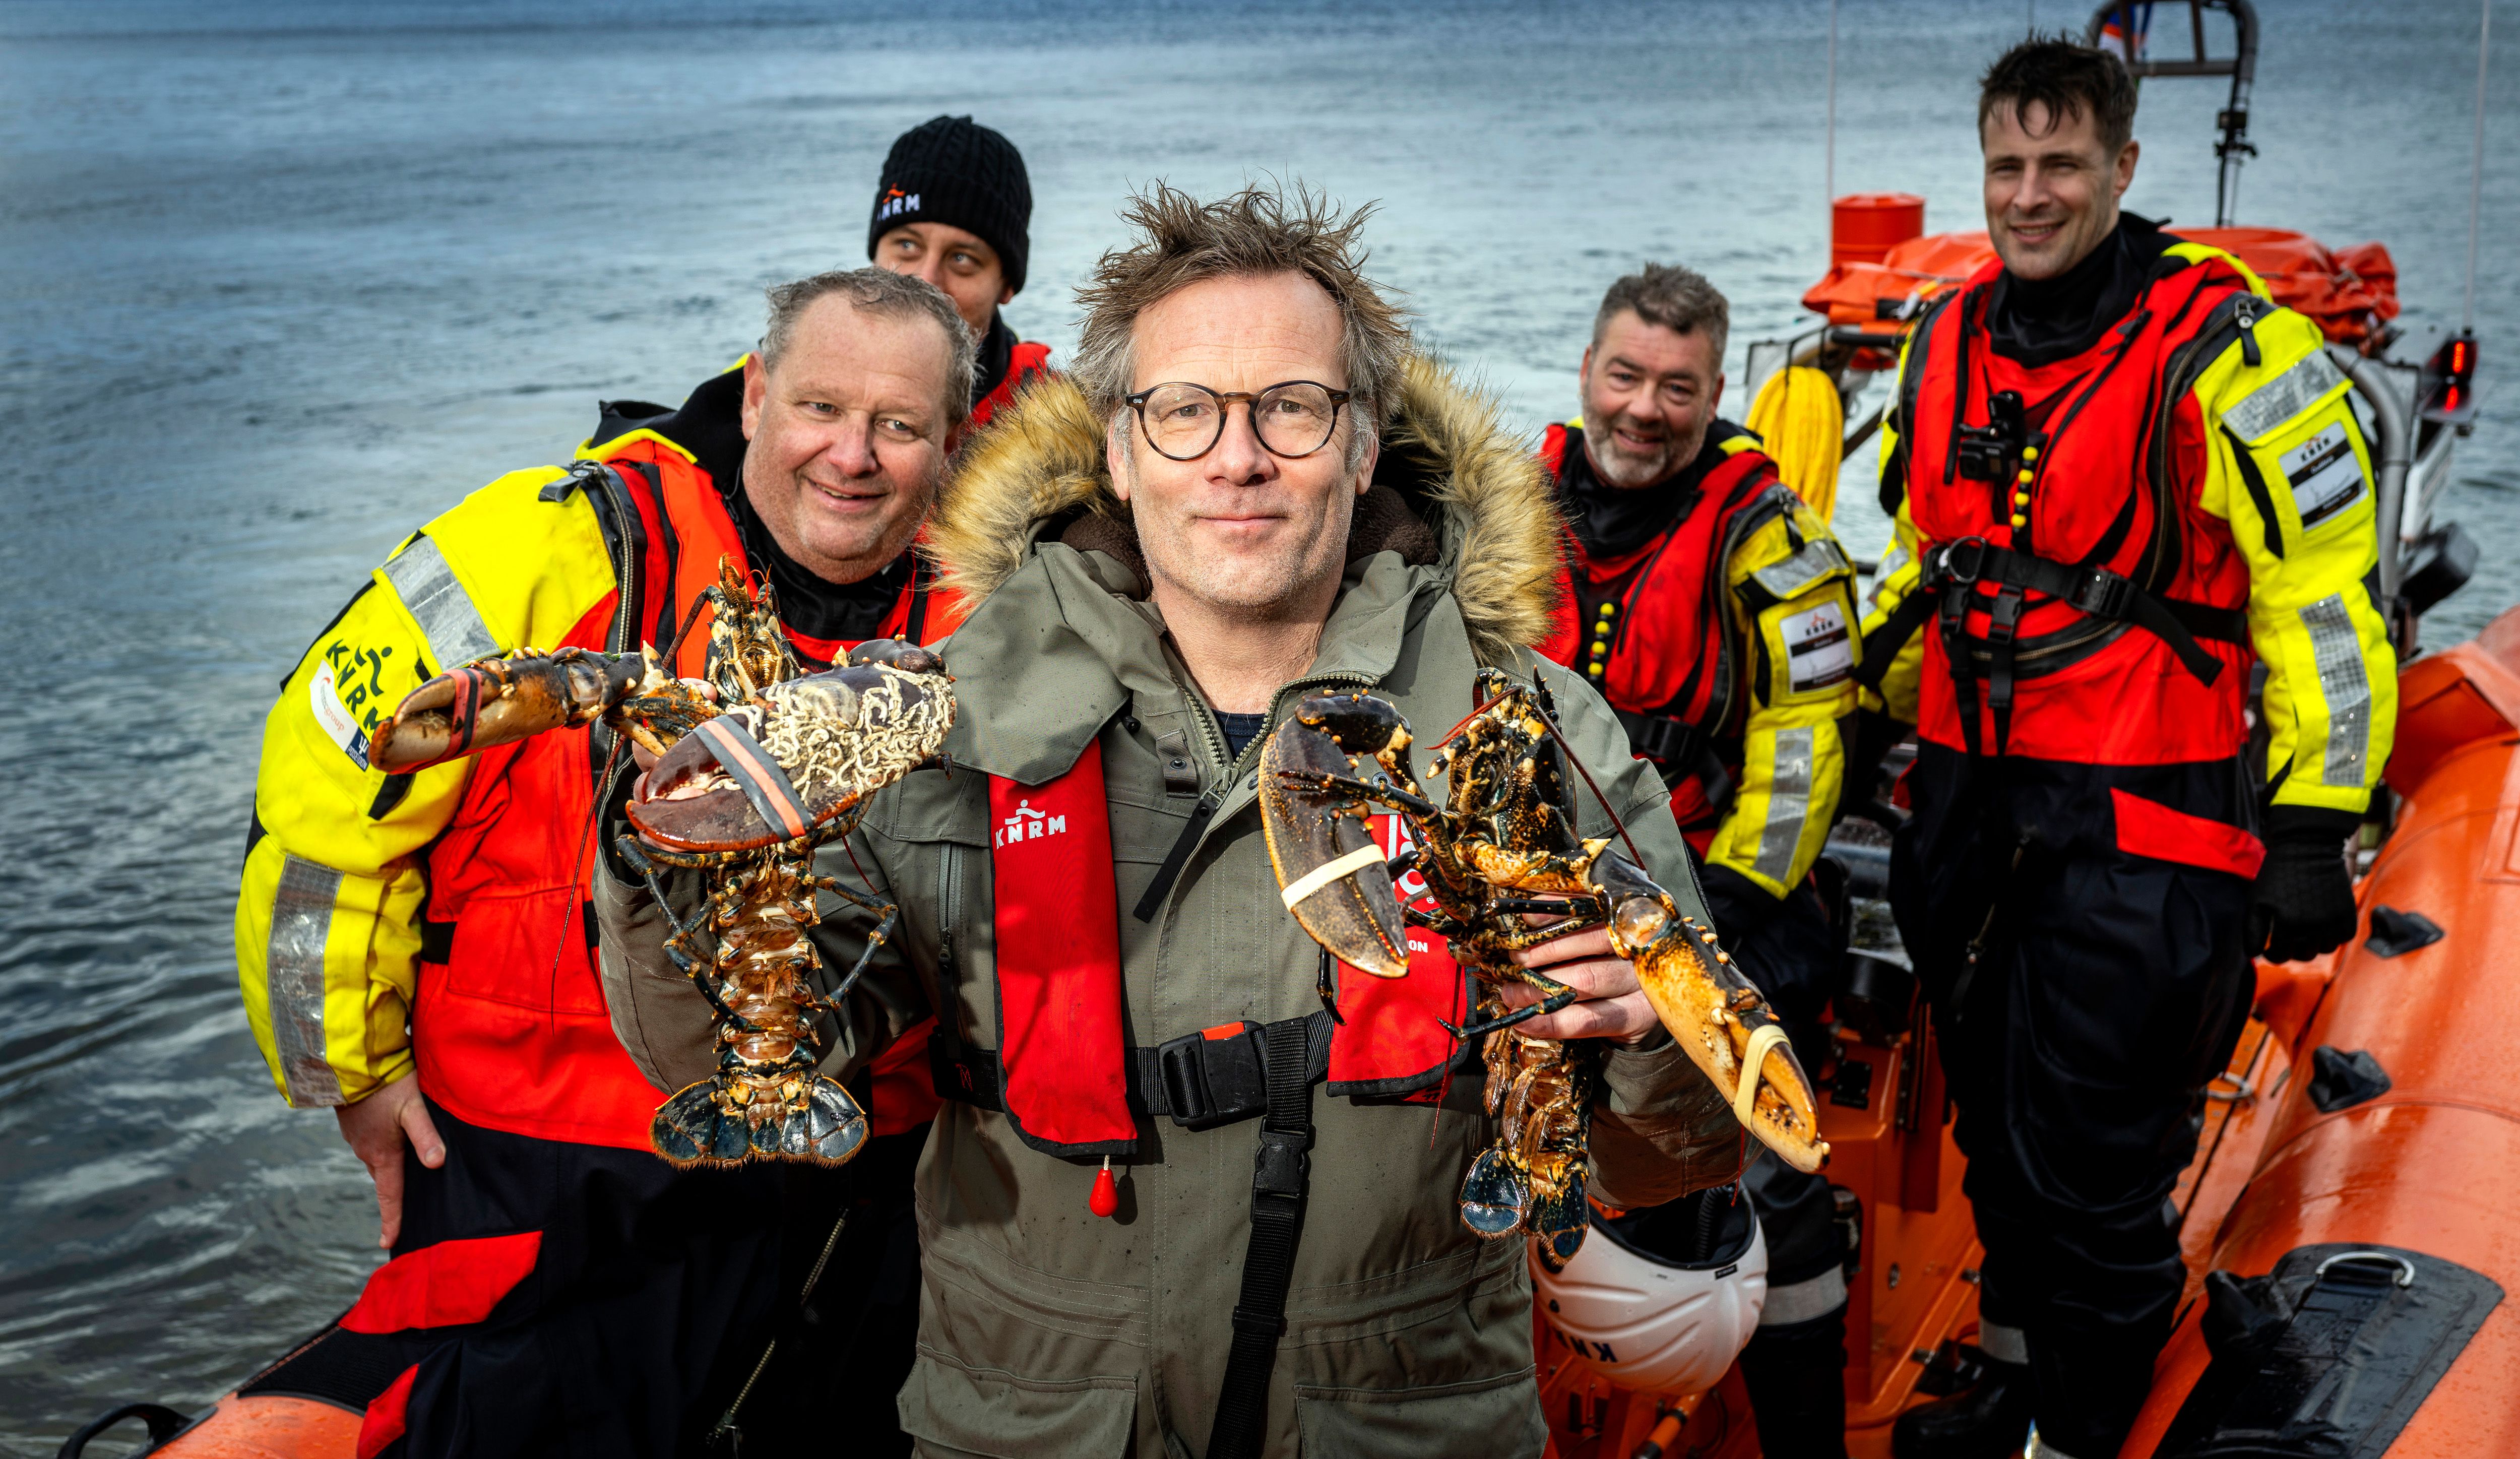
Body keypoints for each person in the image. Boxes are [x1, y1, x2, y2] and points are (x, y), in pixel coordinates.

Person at [598, 181, 1747, 1459]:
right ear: (1119, 449)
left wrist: (1646, 1028)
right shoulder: (939, 720)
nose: (1237, 457)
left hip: (1408, 1411)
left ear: (1365, 445)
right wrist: (662, 851)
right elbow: (729, 1060)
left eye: (1293, 410)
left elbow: (1673, 1159)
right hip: (1031, 1413)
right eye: (1184, 410)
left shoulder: (1533, 728)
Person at [232, 266, 975, 1457]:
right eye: (820, 409)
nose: (852, 455)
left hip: (857, 1163)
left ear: (950, 445)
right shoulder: (542, 544)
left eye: (900, 426)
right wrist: (347, 1073)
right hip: (542, 1167)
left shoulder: (998, 608)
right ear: (752, 397)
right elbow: (324, 785)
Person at [1858, 39, 2397, 1459]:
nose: (2030, 196)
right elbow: (1943, 563)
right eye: (2007, 168)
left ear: (2124, 169)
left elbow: (2323, 599)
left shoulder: (2233, 350)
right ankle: (2023, 1383)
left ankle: (2086, 1432)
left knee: (2098, 1175)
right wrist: (1873, 700)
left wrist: (2311, 820)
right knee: (1997, 1140)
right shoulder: (1943, 340)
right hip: (1973, 813)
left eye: (2061, 166)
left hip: (2144, 832)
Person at [1535, 263, 1861, 1459]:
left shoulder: (1776, 545)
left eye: (1677, 387)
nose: (1644, 407)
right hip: (1539, 901)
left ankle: (1804, 1431)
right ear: (1586, 372)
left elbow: (1803, 748)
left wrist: (1703, 927)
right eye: (1624, 375)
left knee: (1770, 1167)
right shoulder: (1504, 510)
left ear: (1718, 393)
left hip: (1724, 904)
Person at [868, 113, 1054, 426]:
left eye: (962, 259)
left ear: (1007, 285)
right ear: (874, 255)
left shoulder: (1060, 424)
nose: (926, 281)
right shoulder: (779, 379)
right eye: (907, 246)